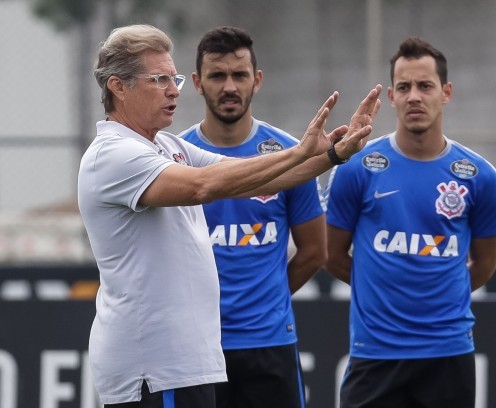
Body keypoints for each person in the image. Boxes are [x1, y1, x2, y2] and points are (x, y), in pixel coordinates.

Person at [78, 24, 381, 407]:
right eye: (158, 79)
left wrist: (329, 155)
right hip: (154, 366)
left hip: (186, 363)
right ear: (118, 87)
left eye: (173, 79)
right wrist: (299, 152)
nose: (172, 90)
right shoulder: (113, 154)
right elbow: (202, 186)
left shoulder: (167, 145)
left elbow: (259, 179)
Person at [324, 37, 496, 408]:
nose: (414, 97)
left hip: (447, 354)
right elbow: (332, 254)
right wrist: (378, 290)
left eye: (425, 86)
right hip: (374, 353)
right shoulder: (357, 167)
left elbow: (485, 263)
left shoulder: (478, 175)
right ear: (391, 96)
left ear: (446, 92)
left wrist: (442, 293)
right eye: (404, 87)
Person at [179, 26, 324, 408]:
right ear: (197, 82)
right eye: (217, 76)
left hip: (269, 343)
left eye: (239, 75)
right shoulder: (174, 158)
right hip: (198, 348)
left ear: (256, 80)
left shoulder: (289, 154)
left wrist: (267, 297)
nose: (229, 86)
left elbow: (314, 251)